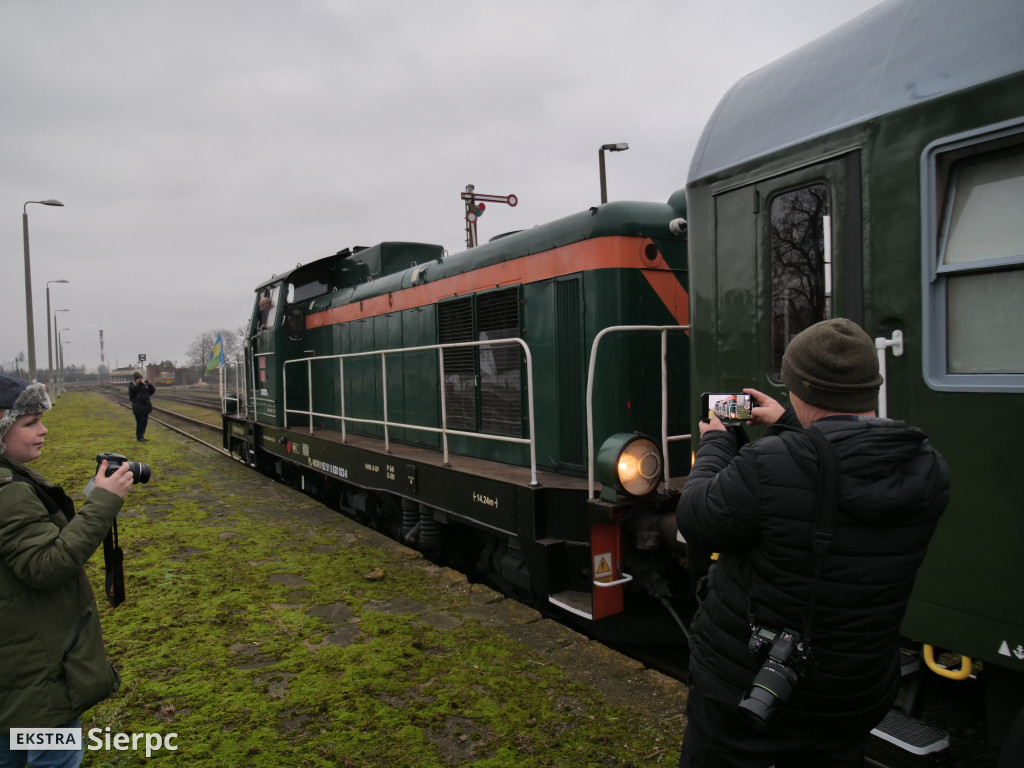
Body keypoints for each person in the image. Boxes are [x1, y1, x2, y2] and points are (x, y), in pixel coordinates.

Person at [677, 318, 949, 768]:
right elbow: (837, 467)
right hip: (851, 693)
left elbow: (697, 518)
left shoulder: (770, 463)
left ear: (800, 389)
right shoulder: (926, 467)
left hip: (754, 690)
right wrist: (790, 422)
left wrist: (715, 444)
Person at [0, 372, 135, 768]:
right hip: (36, 674)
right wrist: (104, 503)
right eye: (30, 423)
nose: (43, 430)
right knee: (55, 759)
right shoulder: (9, 492)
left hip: (13, 670)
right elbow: (47, 565)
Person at [127, 372, 155, 442]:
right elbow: (135, 389)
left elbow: (151, 392)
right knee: (140, 422)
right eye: (139, 378)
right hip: (138, 407)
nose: (140, 380)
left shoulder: (143, 385)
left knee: (144, 423)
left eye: (141, 378)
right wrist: (141, 383)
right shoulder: (132, 385)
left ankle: (142, 436)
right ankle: (139, 437)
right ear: (136, 379)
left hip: (145, 407)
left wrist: (150, 385)